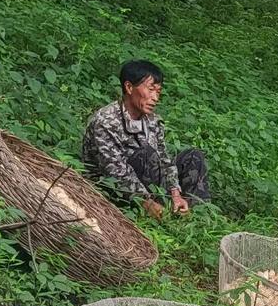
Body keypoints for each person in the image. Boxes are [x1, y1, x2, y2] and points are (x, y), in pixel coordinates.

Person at [82, 60, 210, 219]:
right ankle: (157, 211)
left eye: (158, 91)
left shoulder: (153, 121)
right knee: (146, 154)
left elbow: (164, 160)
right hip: (115, 190)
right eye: (150, 90)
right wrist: (146, 202)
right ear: (129, 88)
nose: (155, 97)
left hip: (150, 182)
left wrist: (175, 193)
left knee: (193, 156)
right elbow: (114, 171)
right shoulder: (106, 121)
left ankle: (192, 214)